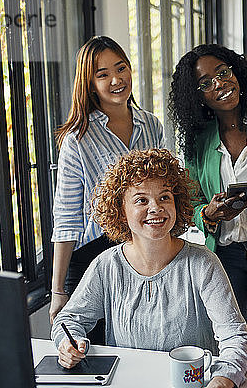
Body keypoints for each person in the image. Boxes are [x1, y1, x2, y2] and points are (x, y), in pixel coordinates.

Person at [52, 149, 247, 388]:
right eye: (141, 200)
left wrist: (223, 380)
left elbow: (238, 339)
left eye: (164, 198)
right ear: (121, 210)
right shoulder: (106, 265)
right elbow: (67, 321)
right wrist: (68, 344)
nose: (156, 208)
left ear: (177, 203)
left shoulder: (203, 263)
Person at [168, 44, 247, 361]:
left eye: (223, 72)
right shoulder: (197, 140)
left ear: (235, 72)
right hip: (224, 255)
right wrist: (210, 212)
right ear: (197, 96)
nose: (219, 83)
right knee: (230, 345)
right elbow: (190, 203)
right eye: (205, 83)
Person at [50, 36, 165, 339]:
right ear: (89, 83)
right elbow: (66, 217)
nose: (116, 79)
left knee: (139, 340)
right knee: (92, 349)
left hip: (142, 250)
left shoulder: (151, 125)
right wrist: (58, 290)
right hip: (92, 255)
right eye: (102, 74)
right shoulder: (78, 139)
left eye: (121, 68)